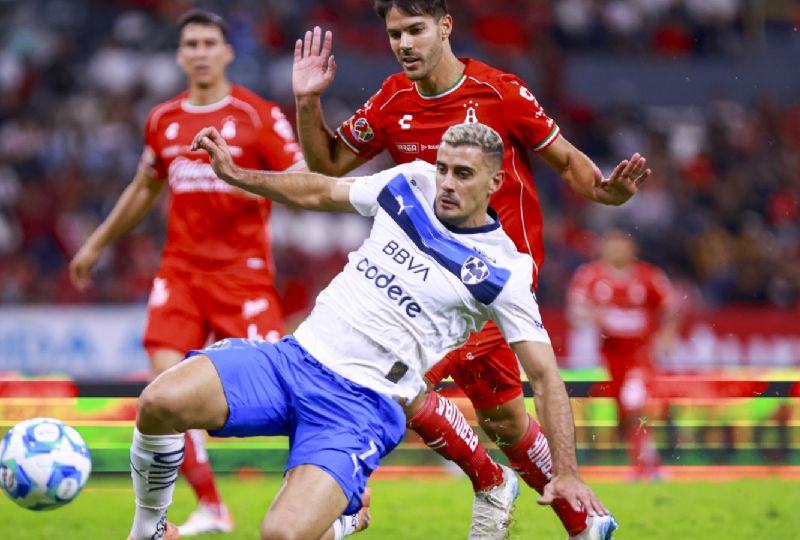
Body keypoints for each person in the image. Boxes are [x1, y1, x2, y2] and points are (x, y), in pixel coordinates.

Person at [126, 121, 609, 540]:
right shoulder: (408, 183)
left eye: (463, 174)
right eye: (443, 168)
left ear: (495, 182)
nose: (445, 182)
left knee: (281, 534)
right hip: (293, 360)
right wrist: (238, 175)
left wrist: (567, 472)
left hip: (359, 407)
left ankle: (348, 520)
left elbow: (545, 376)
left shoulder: (504, 270)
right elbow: (320, 191)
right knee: (159, 402)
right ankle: (151, 529)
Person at [291, 1, 648, 538]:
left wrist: (606, 193)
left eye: (415, 30)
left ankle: (375, 500)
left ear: (445, 26)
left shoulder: (500, 92)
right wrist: (307, 100)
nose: (405, 44)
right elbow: (327, 164)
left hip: (494, 284)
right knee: (504, 420)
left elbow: (569, 163)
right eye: (395, 34)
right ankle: (586, 523)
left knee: (388, 380)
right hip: (428, 284)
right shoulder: (392, 99)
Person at [69, 9, 303, 536]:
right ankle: (210, 506)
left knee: (287, 394)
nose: (200, 52)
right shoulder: (163, 119)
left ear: (227, 52)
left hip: (243, 278)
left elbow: (301, 180)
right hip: (180, 274)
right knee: (164, 386)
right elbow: (144, 187)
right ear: (179, 55)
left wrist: (247, 180)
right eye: (191, 44)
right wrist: (97, 243)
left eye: (209, 43)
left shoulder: (258, 116)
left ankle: (333, 492)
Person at [567, 229, 679, 482]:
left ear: (632, 249)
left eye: (622, 245)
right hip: (607, 355)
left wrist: (667, 335)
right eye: (612, 245)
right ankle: (645, 463)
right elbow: (575, 310)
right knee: (623, 410)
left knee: (634, 400)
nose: (617, 250)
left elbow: (672, 307)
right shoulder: (590, 275)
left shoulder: (649, 276)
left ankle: (647, 464)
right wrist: (591, 315)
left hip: (640, 354)